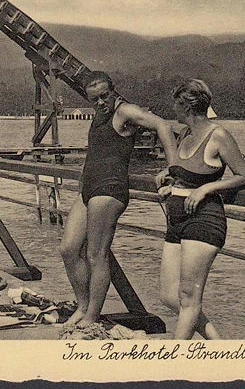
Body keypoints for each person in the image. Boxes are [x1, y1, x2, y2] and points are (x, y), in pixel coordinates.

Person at [59, 71, 178, 327]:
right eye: (95, 99)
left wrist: (173, 168)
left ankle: (91, 317)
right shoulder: (100, 115)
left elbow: (163, 126)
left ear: (113, 91)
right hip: (88, 188)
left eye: (105, 96)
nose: (101, 102)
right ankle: (83, 306)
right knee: (68, 249)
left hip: (109, 189)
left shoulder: (125, 111)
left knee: (96, 254)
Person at [157, 79, 245, 339]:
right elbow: (189, 172)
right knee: (168, 295)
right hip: (176, 220)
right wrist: (171, 181)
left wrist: (207, 189)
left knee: (188, 296)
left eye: (175, 105)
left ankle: (177, 360)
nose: (173, 111)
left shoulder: (217, 135)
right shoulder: (186, 134)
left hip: (204, 220)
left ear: (186, 107)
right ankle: (219, 345)